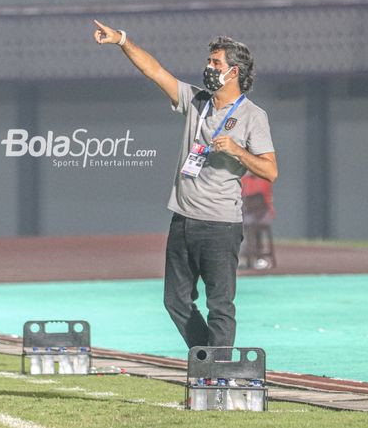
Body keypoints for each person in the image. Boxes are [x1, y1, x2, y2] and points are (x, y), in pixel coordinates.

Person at [93, 20, 277, 351]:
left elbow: (270, 170)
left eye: (215, 63)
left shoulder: (252, 116)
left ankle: (216, 374)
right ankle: (210, 358)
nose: (208, 68)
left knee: (220, 305)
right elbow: (155, 72)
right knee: (175, 301)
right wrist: (122, 40)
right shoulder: (196, 101)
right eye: (209, 61)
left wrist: (237, 150)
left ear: (233, 72)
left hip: (220, 224)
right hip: (182, 219)